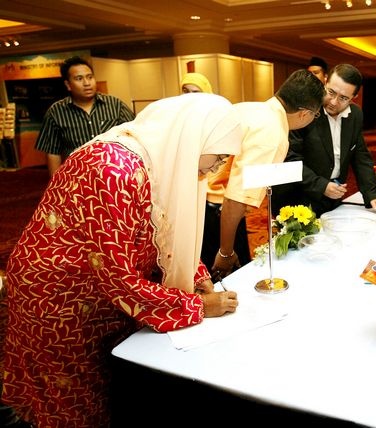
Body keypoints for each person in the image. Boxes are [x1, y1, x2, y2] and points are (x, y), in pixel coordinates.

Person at [2, 93, 243, 427]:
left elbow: (166, 228)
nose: (216, 170)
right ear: (192, 137)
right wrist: (198, 306)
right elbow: (118, 279)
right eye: (218, 157)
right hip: (60, 297)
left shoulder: (162, 159)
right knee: (76, 402)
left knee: (110, 388)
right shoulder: (115, 169)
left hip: (97, 288)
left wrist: (196, 273)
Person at [205, 69, 325, 279]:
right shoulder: (272, 132)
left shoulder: (251, 108)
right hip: (215, 214)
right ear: (304, 113)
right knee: (223, 280)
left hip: (207, 202)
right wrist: (225, 252)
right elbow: (235, 199)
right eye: (315, 115)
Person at [272, 64, 376, 217]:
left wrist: (371, 194)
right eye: (331, 92)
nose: (334, 102)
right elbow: (289, 157)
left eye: (343, 98)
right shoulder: (305, 111)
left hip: (332, 198)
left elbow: (360, 156)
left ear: (354, 97)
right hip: (297, 198)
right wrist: (321, 185)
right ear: (325, 82)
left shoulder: (355, 115)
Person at [35, 56, 136, 177]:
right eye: (79, 79)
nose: (87, 83)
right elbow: (52, 152)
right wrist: (55, 183)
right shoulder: (56, 112)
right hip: (77, 177)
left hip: (114, 175)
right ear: (68, 85)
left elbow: (136, 137)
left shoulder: (115, 105)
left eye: (90, 77)